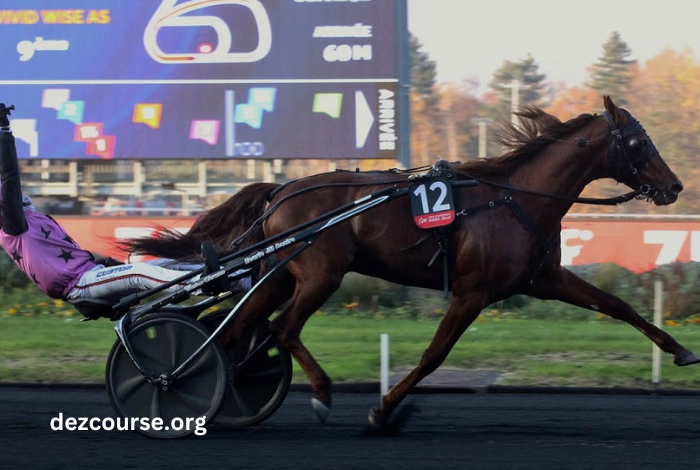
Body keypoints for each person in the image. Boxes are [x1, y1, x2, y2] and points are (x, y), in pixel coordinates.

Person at [0, 104, 250, 305]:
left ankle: (242, 279)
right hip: (79, 283)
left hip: (89, 273)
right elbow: (10, 178)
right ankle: (202, 284)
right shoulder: (12, 227)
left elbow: (76, 255)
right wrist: (4, 134)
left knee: (162, 263)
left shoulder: (32, 219)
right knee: (139, 274)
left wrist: (109, 264)